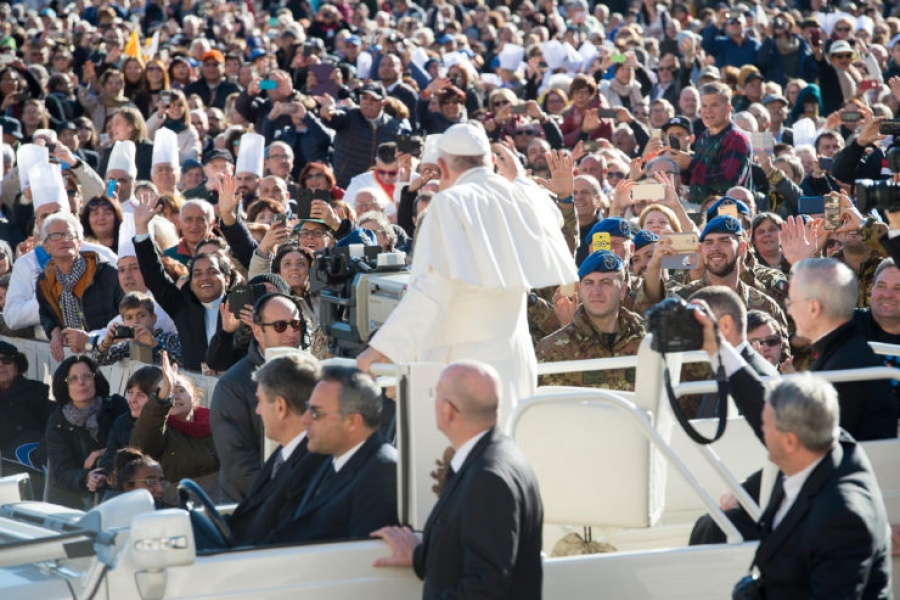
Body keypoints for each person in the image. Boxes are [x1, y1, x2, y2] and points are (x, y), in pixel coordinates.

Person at [358, 124, 577, 424]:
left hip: (464, 367)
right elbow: (552, 215)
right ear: (490, 161)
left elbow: (429, 292)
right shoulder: (519, 195)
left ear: (443, 166)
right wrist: (519, 178)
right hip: (515, 360)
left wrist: (379, 352)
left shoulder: (448, 203)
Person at [696, 309, 891, 600]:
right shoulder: (825, 445)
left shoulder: (841, 518)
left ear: (789, 440)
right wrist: (717, 348)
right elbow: (757, 403)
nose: (761, 432)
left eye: (765, 429)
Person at [373, 360, 542, 600]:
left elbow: (485, 587)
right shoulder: (496, 457)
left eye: (436, 396)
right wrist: (420, 556)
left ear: (448, 411)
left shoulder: (488, 478)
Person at [265, 365, 398, 544]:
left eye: (315, 412)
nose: (305, 419)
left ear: (352, 422)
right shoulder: (332, 456)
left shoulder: (382, 472)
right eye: (307, 408)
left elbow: (362, 555)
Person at [210, 293, 306, 502]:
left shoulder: (315, 375)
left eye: (296, 324)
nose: (291, 332)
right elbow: (239, 463)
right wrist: (288, 496)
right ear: (257, 331)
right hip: (252, 506)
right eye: (280, 326)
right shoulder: (232, 385)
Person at [228, 352, 328, 545]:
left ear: (281, 407)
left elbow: (282, 538)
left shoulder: (312, 464)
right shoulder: (285, 454)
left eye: (260, 401)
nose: (258, 410)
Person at [536, 251, 644, 390]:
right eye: (589, 283)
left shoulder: (647, 340)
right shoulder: (551, 351)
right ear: (580, 290)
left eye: (606, 282)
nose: (596, 291)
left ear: (622, 290)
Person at [130, 353, 218, 506]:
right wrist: (163, 394)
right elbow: (142, 443)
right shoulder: (157, 428)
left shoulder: (216, 422)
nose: (174, 396)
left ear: (194, 396)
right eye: (169, 392)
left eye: (180, 390)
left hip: (222, 501)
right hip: (178, 506)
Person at [36, 213, 124, 361]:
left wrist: (91, 340)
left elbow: (130, 322)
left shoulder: (108, 274)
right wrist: (54, 331)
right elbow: (45, 313)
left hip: (113, 358)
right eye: (56, 236)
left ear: (79, 242)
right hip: (73, 361)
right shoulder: (45, 281)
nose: (64, 239)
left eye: (69, 234)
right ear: (46, 247)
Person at [44, 356, 128, 509]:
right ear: (64, 385)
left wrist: (102, 453)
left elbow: (134, 445)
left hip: (118, 488)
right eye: (73, 379)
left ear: (96, 379)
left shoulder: (116, 406)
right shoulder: (57, 421)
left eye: (87, 376)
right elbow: (62, 471)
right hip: (75, 497)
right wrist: (86, 477)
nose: (81, 382)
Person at [0, 341, 54, 475]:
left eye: (6, 360)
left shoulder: (39, 391)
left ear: (17, 364)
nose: (0, 365)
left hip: (39, 466)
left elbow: (54, 428)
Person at [95, 292, 183, 366]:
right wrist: (105, 344)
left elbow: (183, 363)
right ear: (124, 323)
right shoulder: (125, 347)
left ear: (154, 318)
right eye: (129, 318)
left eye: (142, 315)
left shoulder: (170, 339)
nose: (135, 322)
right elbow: (97, 364)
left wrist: (155, 344)